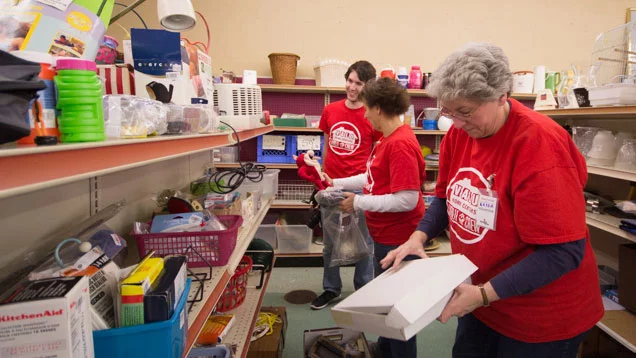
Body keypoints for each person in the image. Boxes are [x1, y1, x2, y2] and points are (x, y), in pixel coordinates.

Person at [381, 43, 604, 358]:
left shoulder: (540, 146)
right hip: (481, 296)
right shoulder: (461, 134)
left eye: (466, 111)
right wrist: (419, 236)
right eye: (448, 111)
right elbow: (446, 197)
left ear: (502, 96)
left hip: (540, 316)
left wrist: (483, 294)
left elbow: (563, 252)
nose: (456, 123)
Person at [327, 77, 426, 358]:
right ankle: (385, 349)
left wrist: (357, 202)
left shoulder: (401, 145)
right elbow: (371, 178)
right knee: (386, 304)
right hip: (385, 238)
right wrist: (336, 182)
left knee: (399, 312)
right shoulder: (387, 140)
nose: (365, 113)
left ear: (379, 108)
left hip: (399, 241)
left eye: (367, 108)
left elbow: (408, 199)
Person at [311, 60, 383, 310]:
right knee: (330, 242)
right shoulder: (330, 110)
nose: (351, 87)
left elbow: (377, 154)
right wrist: (320, 174)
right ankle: (331, 289)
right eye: (349, 81)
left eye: (358, 83)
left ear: (367, 86)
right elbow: (326, 142)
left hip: (359, 188)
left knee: (363, 243)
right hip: (330, 186)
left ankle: (363, 289)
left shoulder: (372, 115)